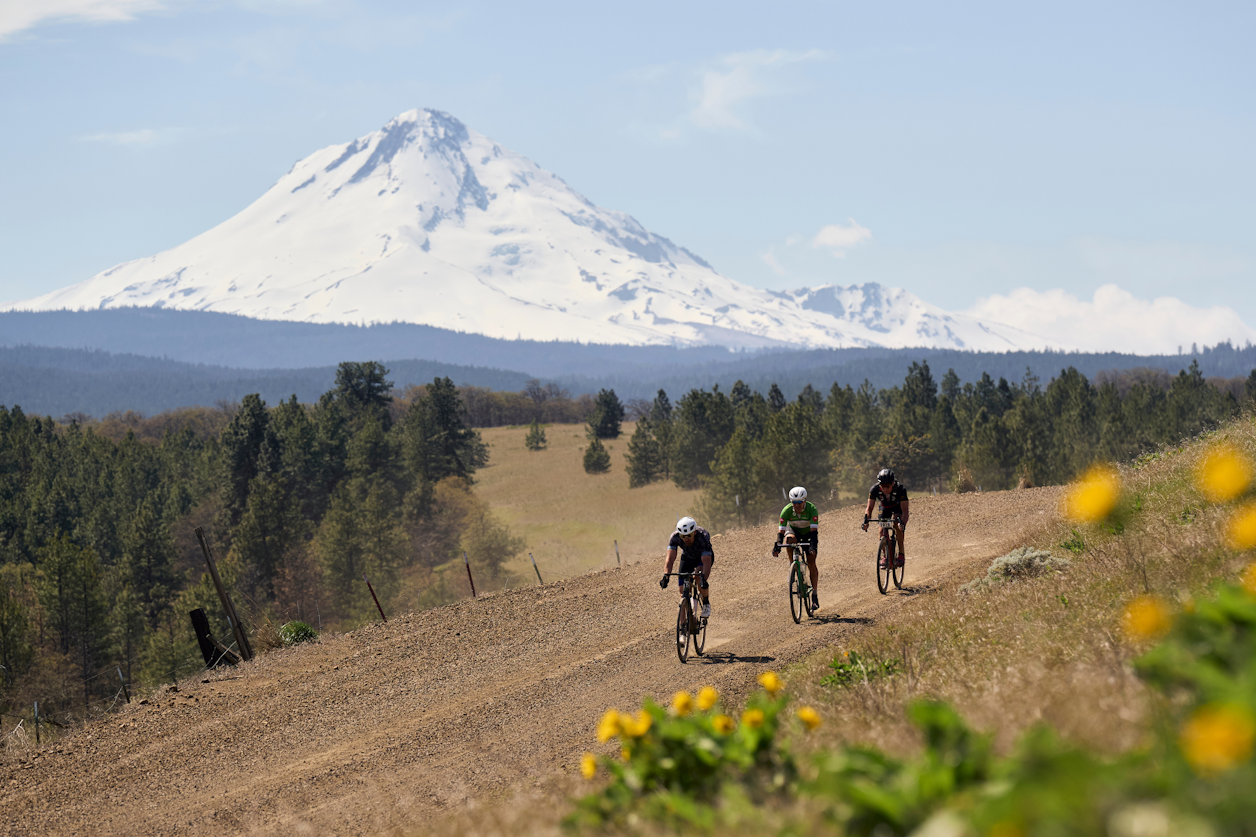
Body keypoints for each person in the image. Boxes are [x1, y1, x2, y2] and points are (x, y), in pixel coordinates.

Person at [773, 486, 820, 611]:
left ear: (804, 501)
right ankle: (792, 563)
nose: (797, 505)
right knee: (789, 540)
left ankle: (814, 595)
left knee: (811, 562)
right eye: (794, 503)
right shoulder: (786, 511)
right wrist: (777, 546)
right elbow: (781, 532)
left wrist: (812, 546)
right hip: (794, 532)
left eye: (799, 502)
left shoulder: (812, 509)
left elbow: (814, 532)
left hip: (809, 534)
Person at [660, 516, 713, 618]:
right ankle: (683, 628)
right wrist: (666, 576)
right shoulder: (675, 537)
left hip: (702, 557)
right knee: (682, 591)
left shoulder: (703, 536)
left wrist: (704, 579)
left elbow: (706, 561)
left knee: (698, 577)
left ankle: (706, 603)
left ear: (695, 532)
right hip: (687, 558)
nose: (686, 539)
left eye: (689, 535)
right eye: (683, 536)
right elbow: (670, 560)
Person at [862, 468, 910, 567]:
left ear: (893, 483)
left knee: (897, 525)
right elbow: (869, 508)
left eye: (887, 486)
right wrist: (866, 521)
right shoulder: (874, 489)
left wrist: (903, 524)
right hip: (885, 507)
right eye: (883, 486)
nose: (885, 489)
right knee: (881, 531)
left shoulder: (901, 489)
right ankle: (885, 556)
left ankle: (901, 554)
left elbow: (905, 511)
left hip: (897, 507)